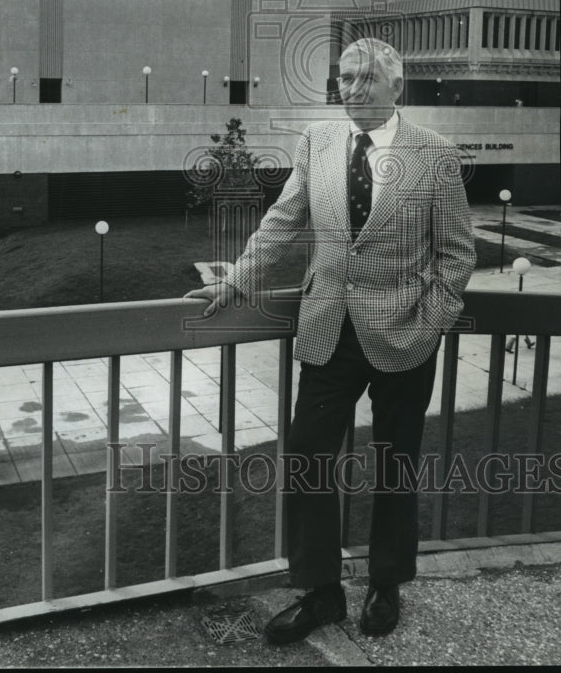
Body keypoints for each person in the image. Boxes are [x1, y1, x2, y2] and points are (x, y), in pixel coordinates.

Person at [186, 38, 475, 640]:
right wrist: (235, 283)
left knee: (396, 465)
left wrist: (430, 325)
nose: (354, 88)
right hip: (327, 332)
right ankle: (321, 594)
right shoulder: (317, 141)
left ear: (397, 88)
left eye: (368, 78)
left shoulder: (438, 155)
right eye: (345, 78)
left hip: (406, 339)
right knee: (307, 460)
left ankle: (386, 583)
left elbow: (456, 256)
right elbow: (284, 220)